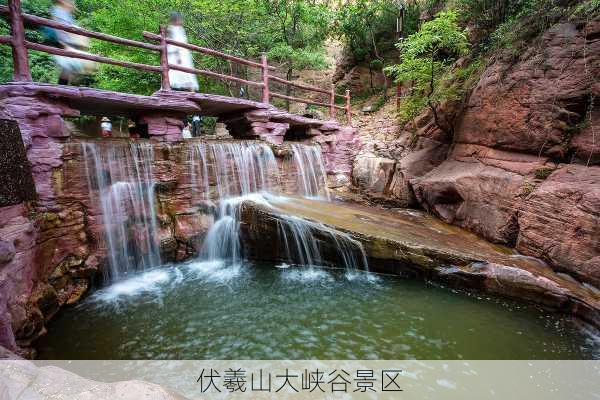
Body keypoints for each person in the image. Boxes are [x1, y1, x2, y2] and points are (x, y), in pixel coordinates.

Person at [50, 0, 96, 85]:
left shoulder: (65, 14)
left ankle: (62, 90)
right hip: (63, 45)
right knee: (86, 63)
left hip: (67, 44)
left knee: (67, 70)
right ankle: (62, 90)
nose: (72, 4)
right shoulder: (59, 12)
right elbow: (60, 30)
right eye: (71, 2)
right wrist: (65, 45)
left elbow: (69, 29)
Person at [167, 13, 199, 92]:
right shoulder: (171, 29)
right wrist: (178, 56)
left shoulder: (180, 29)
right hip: (177, 54)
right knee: (176, 72)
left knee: (187, 72)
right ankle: (171, 90)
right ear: (176, 19)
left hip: (184, 54)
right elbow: (173, 43)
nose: (181, 21)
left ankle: (191, 91)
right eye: (180, 19)